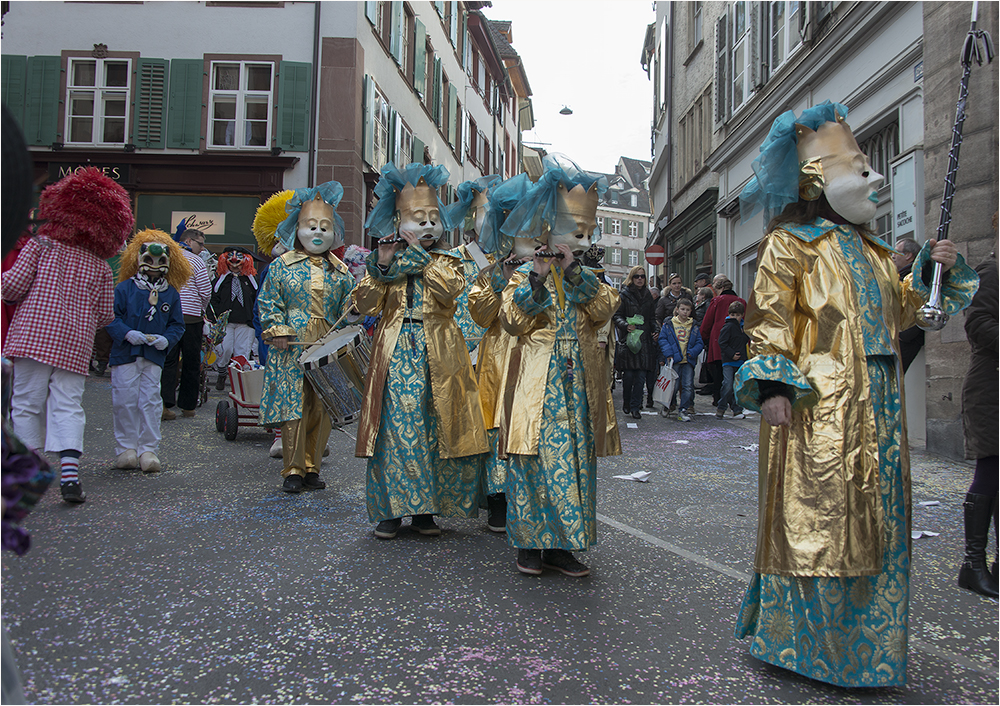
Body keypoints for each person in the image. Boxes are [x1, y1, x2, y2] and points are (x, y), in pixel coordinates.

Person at [732, 101, 978, 687]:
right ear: (818, 179)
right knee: (820, 524)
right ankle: (804, 647)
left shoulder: (873, 253)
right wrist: (772, 385)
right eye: (861, 169)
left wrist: (932, 274)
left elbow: (912, 312)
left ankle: (867, 653)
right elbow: (768, 319)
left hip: (879, 411)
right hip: (819, 409)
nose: (876, 179)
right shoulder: (790, 244)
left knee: (875, 523)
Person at [498, 154, 620, 576]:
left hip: (578, 381)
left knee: (574, 461)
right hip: (537, 380)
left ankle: (564, 545)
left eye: (586, 233)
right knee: (531, 458)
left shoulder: (588, 275)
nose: (581, 241)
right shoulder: (524, 275)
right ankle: (530, 543)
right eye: (574, 231)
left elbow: (605, 309)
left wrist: (573, 273)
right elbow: (513, 322)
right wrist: (537, 278)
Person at [353, 162, 488, 539]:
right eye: (417, 219)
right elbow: (364, 304)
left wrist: (418, 258)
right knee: (395, 427)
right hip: (396, 350)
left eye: (433, 219)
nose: (427, 226)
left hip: (441, 352)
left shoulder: (449, 261)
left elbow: (449, 291)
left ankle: (427, 509)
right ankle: (391, 511)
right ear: (398, 221)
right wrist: (381, 266)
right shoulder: (385, 261)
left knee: (435, 427)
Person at [3, 167, 134, 504]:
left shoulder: (41, 246)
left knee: (27, 404)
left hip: (33, 334)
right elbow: (106, 315)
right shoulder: (99, 265)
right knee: (68, 405)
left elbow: (12, 286)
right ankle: (71, 474)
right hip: (75, 342)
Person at [258, 182, 356, 493]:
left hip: (326, 345)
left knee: (323, 406)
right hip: (291, 346)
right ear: (297, 229)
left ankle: (313, 466)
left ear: (334, 232)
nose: (317, 232)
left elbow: (348, 309)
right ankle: (293, 469)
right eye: (310, 226)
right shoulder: (280, 268)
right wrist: (278, 330)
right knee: (294, 406)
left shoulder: (341, 273)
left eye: (324, 227)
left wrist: (354, 311)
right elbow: (269, 302)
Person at [467, 172, 532, 533]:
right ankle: (496, 498)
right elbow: (481, 314)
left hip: (535, 355)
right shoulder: (489, 270)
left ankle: (528, 495)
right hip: (498, 355)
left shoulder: (545, 265)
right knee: (495, 421)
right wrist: (500, 280)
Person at [107, 230, 188, 473]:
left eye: (159, 263)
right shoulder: (123, 289)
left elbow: (177, 324)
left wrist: (167, 339)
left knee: (151, 402)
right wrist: (125, 333)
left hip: (153, 356)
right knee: (124, 400)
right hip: (125, 354)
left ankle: (148, 449)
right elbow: (110, 317)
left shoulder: (171, 293)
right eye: (149, 263)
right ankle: (126, 448)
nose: (154, 268)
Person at [958, 214, 997, 598]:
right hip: (991, 388)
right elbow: (978, 323)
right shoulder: (991, 270)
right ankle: (973, 563)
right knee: (991, 468)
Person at [161, 226, 212, 420]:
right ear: (189, 241)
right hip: (191, 317)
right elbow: (206, 291)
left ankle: (165, 404)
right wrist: (202, 309)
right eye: (200, 243)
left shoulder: (169, 259)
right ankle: (188, 406)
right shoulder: (196, 261)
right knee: (191, 361)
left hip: (167, 316)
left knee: (168, 360)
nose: (202, 248)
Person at [210, 246, 259, 390]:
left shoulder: (251, 280)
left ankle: (238, 383)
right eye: (231, 256)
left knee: (242, 352)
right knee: (225, 349)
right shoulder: (220, 280)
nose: (234, 259)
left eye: (239, 256)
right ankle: (222, 371)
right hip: (226, 322)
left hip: (245, 322)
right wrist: (216, 318)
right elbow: (213, 299)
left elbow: (257, 299)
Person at [613, 266, 659, 419]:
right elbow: (617, 316)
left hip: (644, 339)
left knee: (640, 378)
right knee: (628, 377)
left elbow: (652, 317)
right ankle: (627, 402)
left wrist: (655, 329)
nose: (640, 279)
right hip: (629, 338)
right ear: (632, 278)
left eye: (642, 276)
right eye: (637, 276)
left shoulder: (648, 296)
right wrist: (626, 325)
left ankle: (635, 406)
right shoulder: (624, 295)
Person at [699, 274, 745, 407]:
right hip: (738, 343)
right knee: (736, 374)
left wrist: (704, 337)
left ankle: (719, 399)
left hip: (718, 341)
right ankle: (735, 402)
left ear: (720, 288)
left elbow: (707, 322)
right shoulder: (741, 302)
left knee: (719, 373)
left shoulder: (717, 301)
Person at [657, 298, 703, 422]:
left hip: (688, 360)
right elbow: (663, 339)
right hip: (674, 359)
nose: (685, 312)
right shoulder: (669, 323)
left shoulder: (694, 325)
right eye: (682, 309)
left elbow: (699, 342)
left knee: (688, 386)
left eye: (688, 310)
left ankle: (683, 409)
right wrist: (668, 354)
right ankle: (668, 405)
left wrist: (692, 353)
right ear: (677, 310)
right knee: (673, 386)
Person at [892, 237, 925, 373]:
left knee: (894, 376)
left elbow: (918, 305)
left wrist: (904, 334)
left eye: (896, 252)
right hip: (898, 336)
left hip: (905, 337)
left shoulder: (916, 276)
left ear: (908, 255)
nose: (892, 256)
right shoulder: (899, 275)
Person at [716, 300, 748, 419]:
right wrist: (732, 354)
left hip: (740, 360)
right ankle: (722, 406)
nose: (735, 317)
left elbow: (745, 341)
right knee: (728, 384)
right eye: (733, 315)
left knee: (738, 386)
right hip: (729, 360)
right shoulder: (728, 326)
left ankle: (737, 409)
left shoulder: (743, 327)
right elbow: (722, 343)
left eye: (738, 315)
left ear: (742, 315)